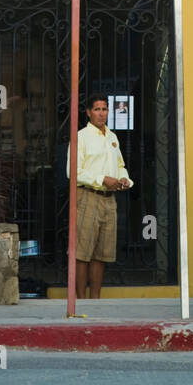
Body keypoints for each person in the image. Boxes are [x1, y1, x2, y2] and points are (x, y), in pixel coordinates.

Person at [67, 94, 132, 299]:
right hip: (88, 197)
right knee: (82, 253)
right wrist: (102, 179)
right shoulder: (81, 137)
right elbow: (73, 172)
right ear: (88, 112)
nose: (101, 113)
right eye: (97, 109)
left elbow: (120, 165)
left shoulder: (112, 137)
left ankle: (96, 299)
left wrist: (123, 179)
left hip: (109, 200)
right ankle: (81, 300)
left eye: (104, 109)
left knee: (101, 254)